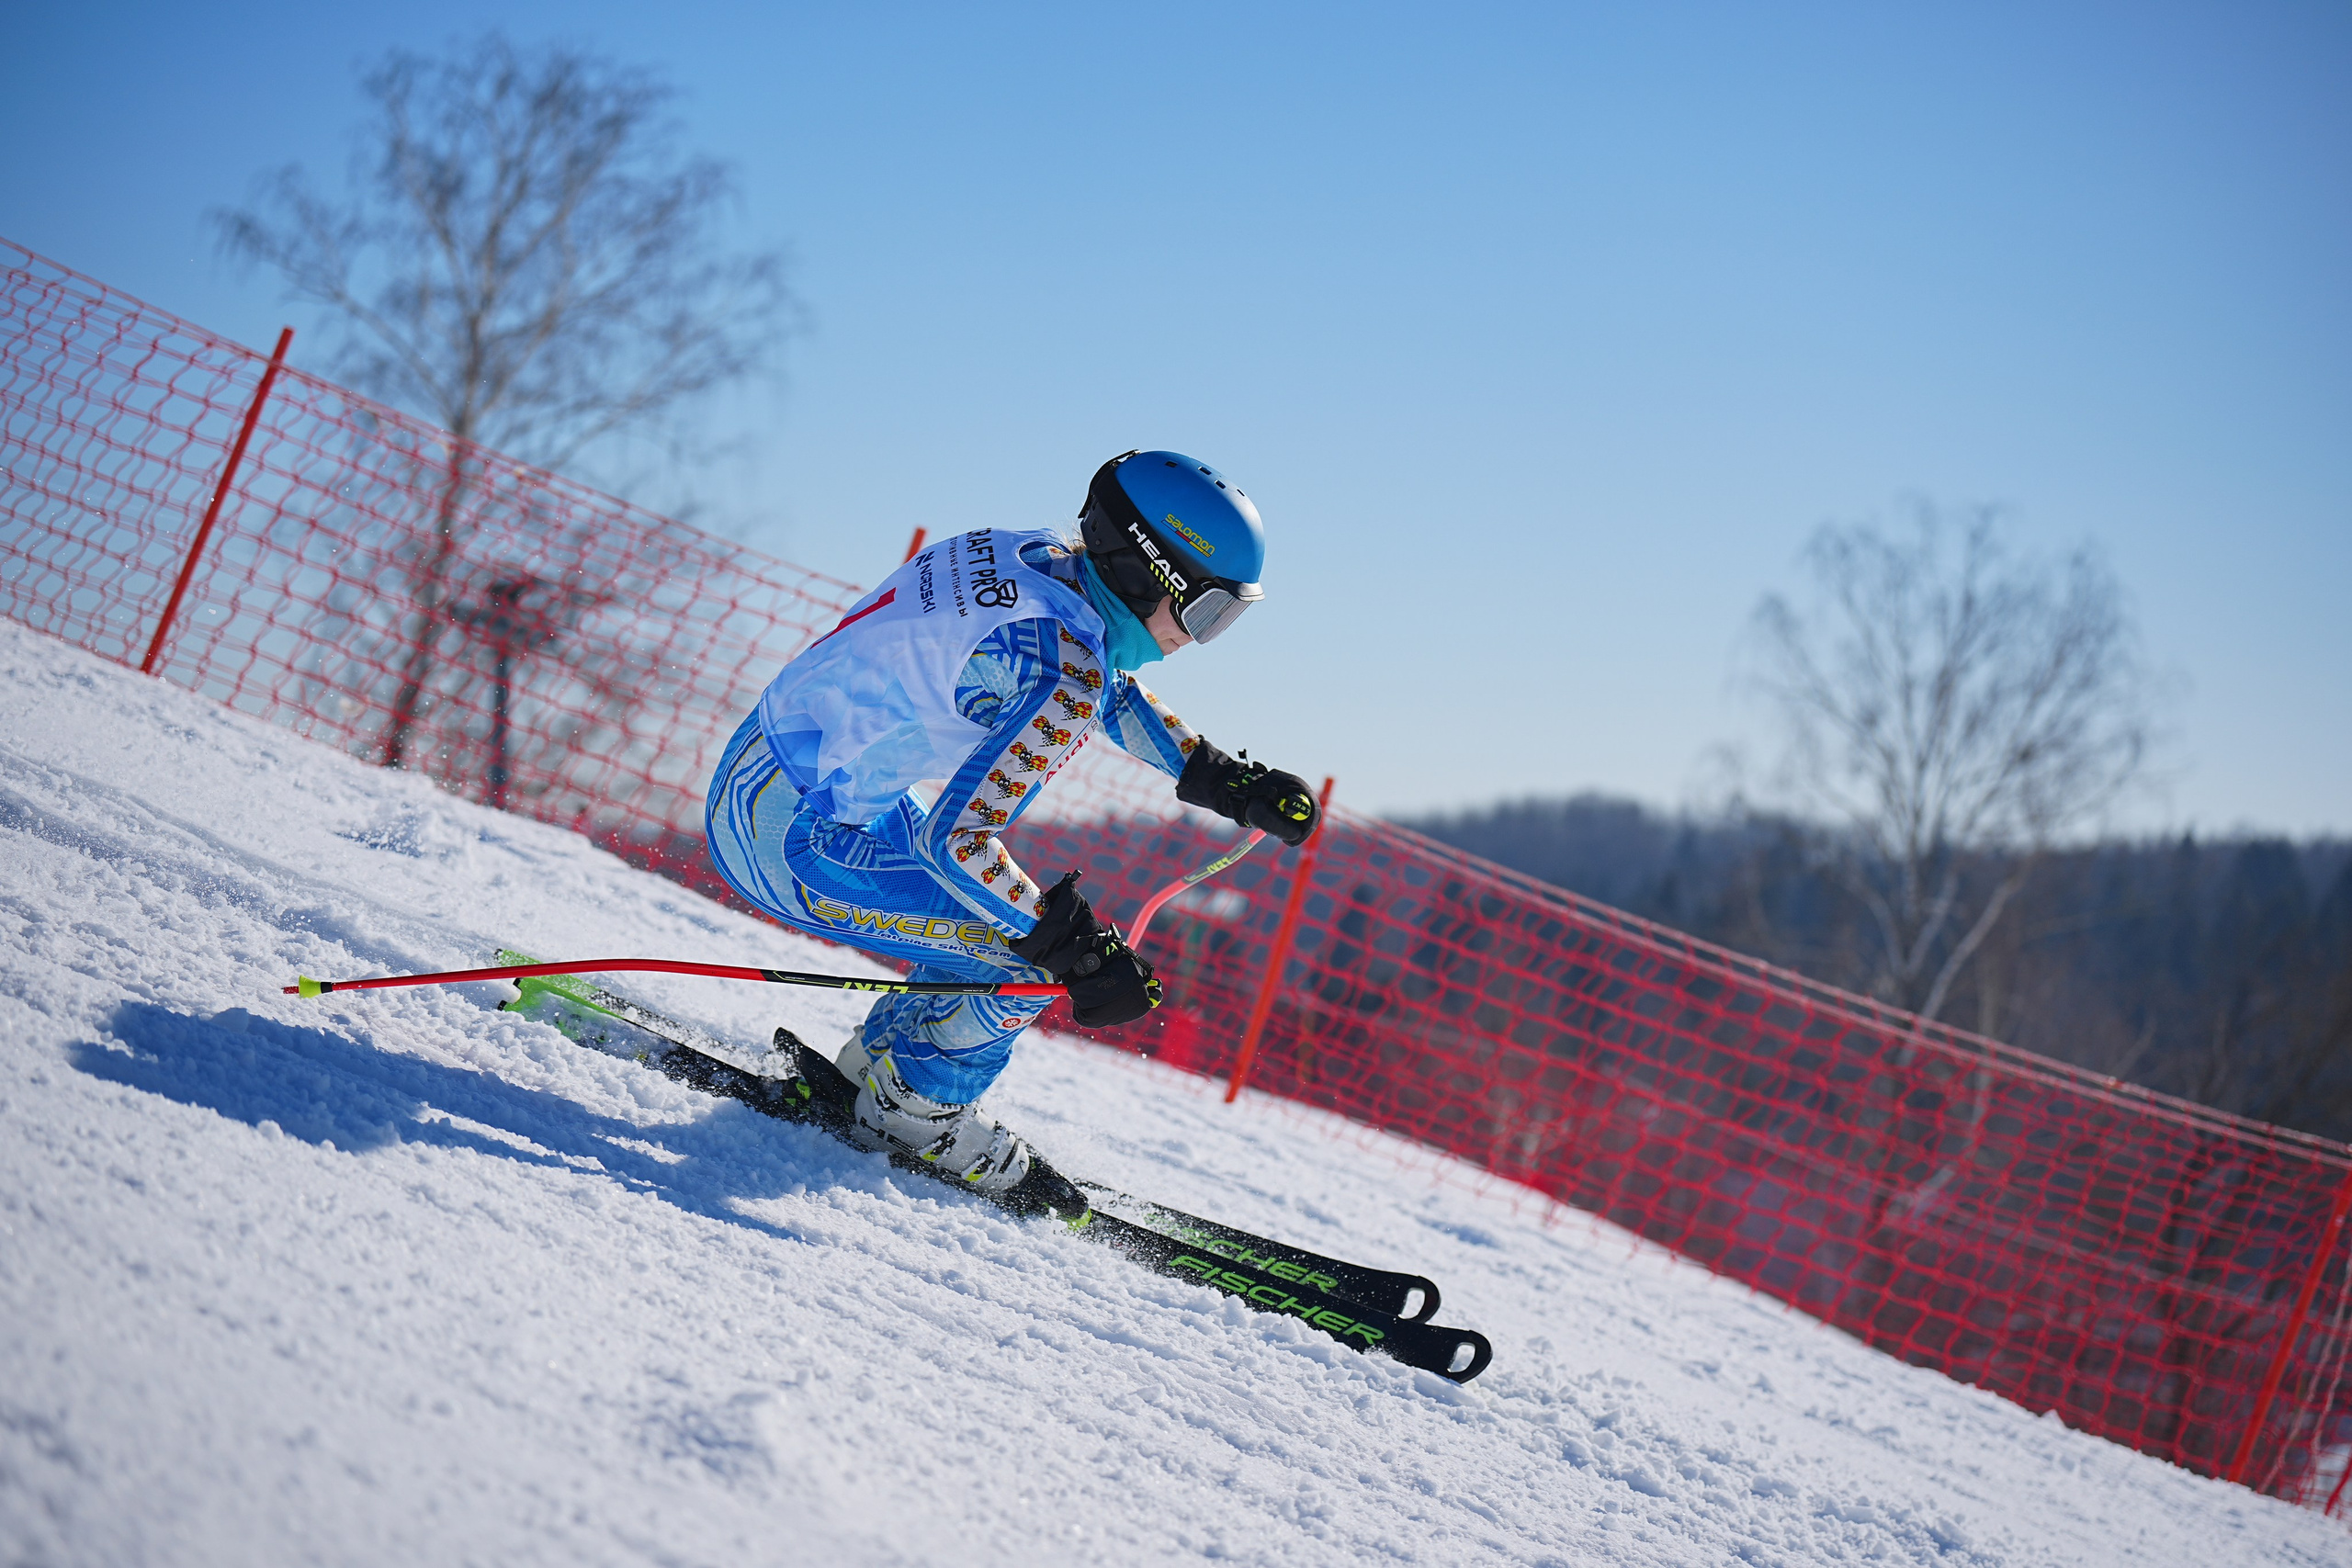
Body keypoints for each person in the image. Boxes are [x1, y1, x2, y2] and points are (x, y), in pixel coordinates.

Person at [703, 451, 1320, 1211]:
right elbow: (956, 843)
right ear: (1145, 573)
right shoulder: (1067, 674)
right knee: (1025, 959)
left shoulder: (1025, 553)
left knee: (996, 922)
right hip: (791, 845)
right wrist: (1077, 948)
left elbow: (1101, 681)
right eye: (1205, 611)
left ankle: (878, 1070)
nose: (1200, 637)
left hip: (771, 778)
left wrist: (1222, 775)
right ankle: (916, 1114)